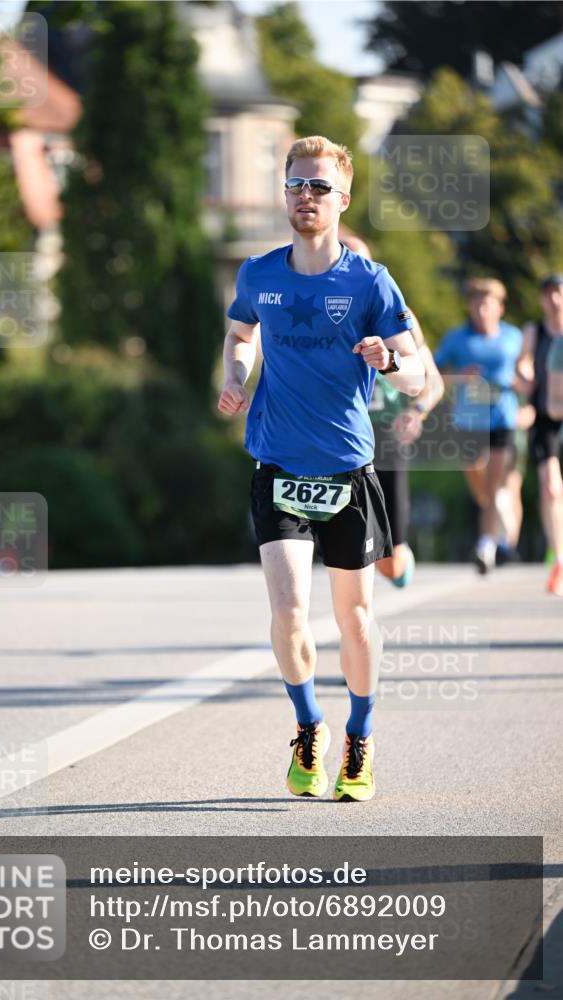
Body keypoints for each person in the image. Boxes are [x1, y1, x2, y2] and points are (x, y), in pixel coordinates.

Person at [217, 136, 424, 803]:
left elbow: (419, 375)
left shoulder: (368, 282)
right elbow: (240, 333)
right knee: (287, 612)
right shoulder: (258, 273)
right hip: (277, 463)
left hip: (347, 472)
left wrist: (389, 363)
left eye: (317, 188)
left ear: (342, 199)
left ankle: (359, 736)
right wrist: (236, 375)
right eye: (294, 185)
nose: (304, 197)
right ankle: (309, 726)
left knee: (355, 619)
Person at [341, 232, 444, 587]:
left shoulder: (394, 312)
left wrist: (416, 411)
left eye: (362, 262)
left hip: (385, 432)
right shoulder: (320, 309)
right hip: (338, 430)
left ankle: (397, 552)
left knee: (394, 566)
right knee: (347, 538)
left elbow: (434, 382)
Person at [434, 278, 522, 574]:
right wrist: (459, 377)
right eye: (476, 303)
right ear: (470, 307)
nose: (482, 309)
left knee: (495, 483)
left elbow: (527, 371)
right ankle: (499, 528)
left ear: (499, 308)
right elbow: (432, 374)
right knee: (482, 488)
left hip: (503, 418)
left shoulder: (514, 337)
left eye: (488, 303)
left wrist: (523, 385)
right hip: (468, 420)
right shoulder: (457, 338)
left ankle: (487, 545)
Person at [516, 274, 563, 595]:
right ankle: (559, 558)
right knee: (549, 488)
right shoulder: (534, 331)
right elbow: (522, 366)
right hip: (545, 420)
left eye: (558, 293)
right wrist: (524, 375)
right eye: (548, 294)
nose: (554, 300)